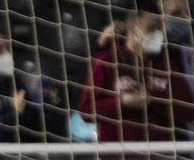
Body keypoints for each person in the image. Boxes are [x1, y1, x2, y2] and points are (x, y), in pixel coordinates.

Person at [80, 9, 194, 141]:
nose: (158, 33)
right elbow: (86, 111)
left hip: (160, 154)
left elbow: (189, 111)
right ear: (132, 27)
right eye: (152, 27)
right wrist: (122, 102)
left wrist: (152, 98)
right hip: (116, 155)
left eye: (161, 28)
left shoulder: (166, 65)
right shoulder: (107, 60)